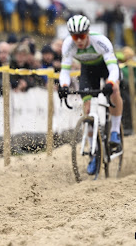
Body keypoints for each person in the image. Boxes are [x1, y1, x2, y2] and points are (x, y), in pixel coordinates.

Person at [58, 15, 123, 175]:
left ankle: (115, 130)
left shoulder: (100, 41)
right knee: (87, 109)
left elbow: (114, 69)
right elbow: (64, 71)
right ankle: (94, 153)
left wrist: (109, 83)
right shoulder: (68, 45)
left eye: (81, 36)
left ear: (87, 32)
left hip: (106, 67)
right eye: (75, 36)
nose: (78, 40)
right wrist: (64, 86)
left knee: (114, 90)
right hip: (88, 71)